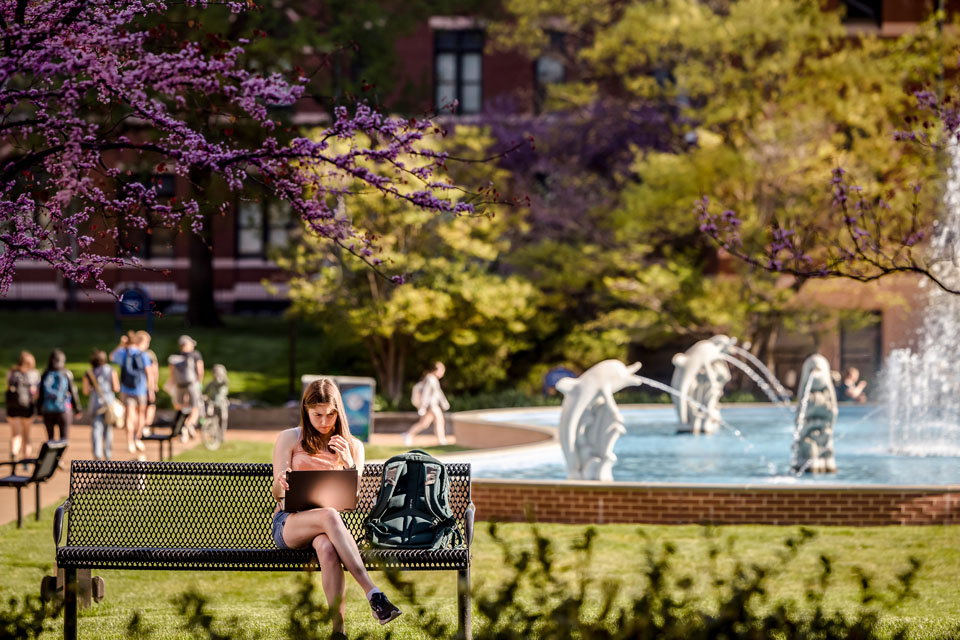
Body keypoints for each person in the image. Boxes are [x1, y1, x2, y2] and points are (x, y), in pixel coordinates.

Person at [271, 378, 402, 635]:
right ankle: (373, 593)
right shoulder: (289, 438)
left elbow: (351, 499)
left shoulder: (353, 446)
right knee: (329, 516)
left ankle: (338, 632)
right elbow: (277, 495)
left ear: (338, 412)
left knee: (327, 548)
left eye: (330, 415)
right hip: (290, 522)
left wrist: (349, 463)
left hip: (328, 530)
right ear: (306, 412)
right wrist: (281, 482)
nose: (324, 421)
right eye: (317, 415)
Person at [110, 332, 154, 454]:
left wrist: (121, 344)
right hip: (140, 390)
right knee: (140, 415)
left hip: (126, 389)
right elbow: (149, 373)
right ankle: (137, 438)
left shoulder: (124, 352)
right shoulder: (144, 355)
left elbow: (111, 357)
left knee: (129, 416)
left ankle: (130, 441)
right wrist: (151, 390)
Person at [37, 349, 81, 447]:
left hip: (47, 409)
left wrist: (39, 411)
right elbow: (73, 392)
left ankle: (51, 460)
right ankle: (59, 459)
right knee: (64, 439)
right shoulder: (66, 373)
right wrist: (77, 409)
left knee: (50, 439)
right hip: (63, 409)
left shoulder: (45, 374)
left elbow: (41, 393)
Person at [83, 349, 121, 460]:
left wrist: (93, 389)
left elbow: (85, 391)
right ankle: (108, 454)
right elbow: (116, 387)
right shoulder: (110, 370)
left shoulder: (89, 373)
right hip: (108, 403)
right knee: (108, 429)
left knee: (96, 429)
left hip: (95, 404)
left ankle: (97, 453)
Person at [403, 362, 451, 446]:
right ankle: (441, 440)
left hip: (431, 405)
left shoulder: (432, 378)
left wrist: (444, 403)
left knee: (424, 424)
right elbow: (426, 393)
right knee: (439, 420)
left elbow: (438, 393)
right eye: (442, 370)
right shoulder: (430, 379)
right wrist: (423, 406)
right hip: (431, 405)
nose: (443, 373)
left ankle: (408, 435)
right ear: (437, 370)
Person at [168, 335, 204, 441]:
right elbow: (200, 370)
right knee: (195, 407)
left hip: (179, 386)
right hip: (192, 384)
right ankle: (188, 424)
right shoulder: (195, 355)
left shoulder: (176, 357)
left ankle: (183, 425)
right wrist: (199, 382)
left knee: (180, 406)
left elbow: (171, 373)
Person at [5, 351, 40, 460]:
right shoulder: (34, 374)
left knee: (16, 434)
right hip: (27, 408)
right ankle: (26, 459)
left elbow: (8, 389)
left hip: (13, 408)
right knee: (26, 435)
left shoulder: (11, 372)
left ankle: (14, 452)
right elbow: (36, 394)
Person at [138, 331, 160, 435]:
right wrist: (154, 384)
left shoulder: (131, 352)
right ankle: (146, 427)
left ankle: (139, 429)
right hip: (146, 385)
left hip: (135, 386)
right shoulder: (149, 354)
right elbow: (154, 371)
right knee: (150, 407)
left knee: (139, 409)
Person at [203, 364, 230, 433]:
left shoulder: (224, 383)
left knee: (223, 418)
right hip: (212, 403)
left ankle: (222, 433)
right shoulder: (211, 384)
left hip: (222, 403)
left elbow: (223, 381)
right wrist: (204, 397)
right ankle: (210, 429)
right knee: (209, 414)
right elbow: (204, 393)